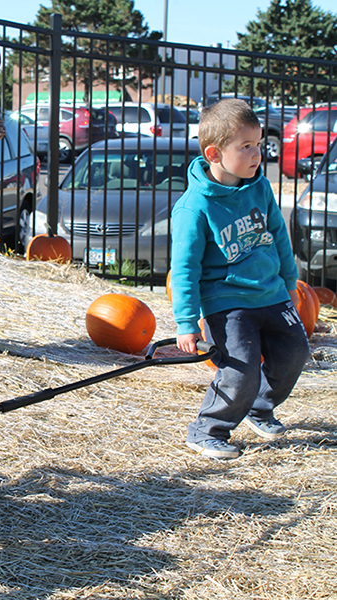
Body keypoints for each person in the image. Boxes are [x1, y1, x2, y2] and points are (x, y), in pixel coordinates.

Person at [170, 98, 311, 460]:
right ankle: (208, 429)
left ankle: (259, 407)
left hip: (271, 293)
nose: (257, 154)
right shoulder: (194, 206)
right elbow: (185, 267)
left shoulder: (259, 187)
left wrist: (290, 278)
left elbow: (278, 233)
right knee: (240, 368)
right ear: (215, 153)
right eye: (246, 146)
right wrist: (186, 322)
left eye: (259, 144)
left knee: (294, 352)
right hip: (227, 302)